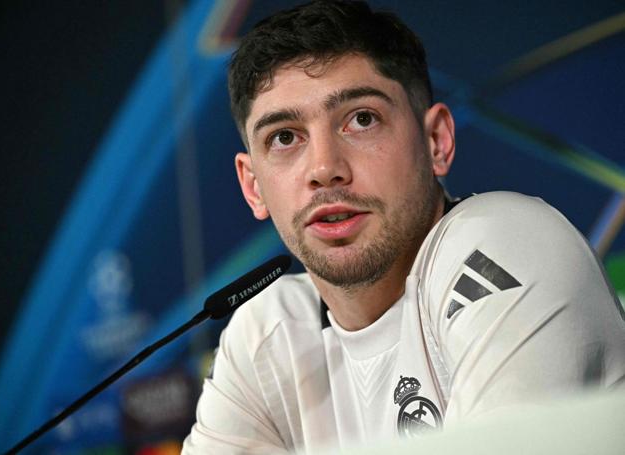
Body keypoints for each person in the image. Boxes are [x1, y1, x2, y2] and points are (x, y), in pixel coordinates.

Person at [182, 1, 625, 453]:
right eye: (284, 137)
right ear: (253, 186)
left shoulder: (507, 243)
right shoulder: (267, 334)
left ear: (436, 141)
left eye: (361, 119)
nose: (323, 168)